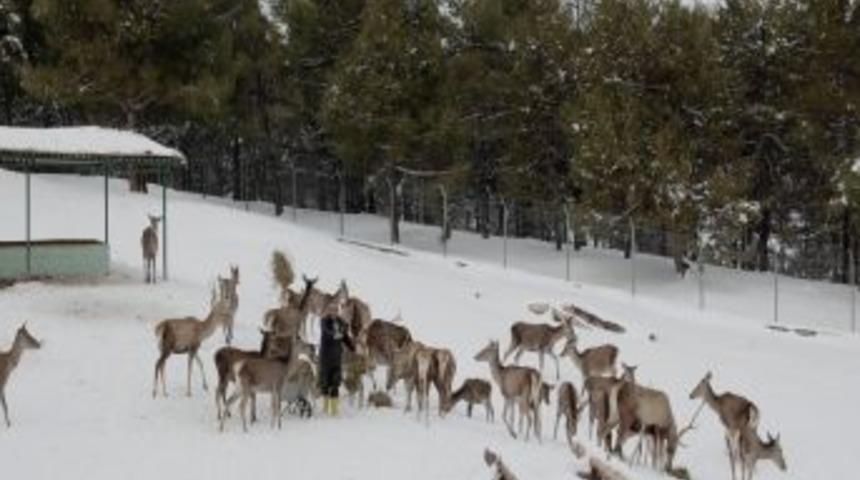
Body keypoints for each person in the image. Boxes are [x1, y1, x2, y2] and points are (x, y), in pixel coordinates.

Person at [318, 314, 355, 416]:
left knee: (336, 382)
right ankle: (325, 407)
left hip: (337, 357)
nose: (333, 311)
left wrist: (353, 348)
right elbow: (326, 332)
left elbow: (345, 337)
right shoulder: (324, 321)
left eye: (335, 308)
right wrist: (334, 334)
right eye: (331, 308)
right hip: (325, 357)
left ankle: (334, 410)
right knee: (325, 382)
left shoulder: (341, 322)